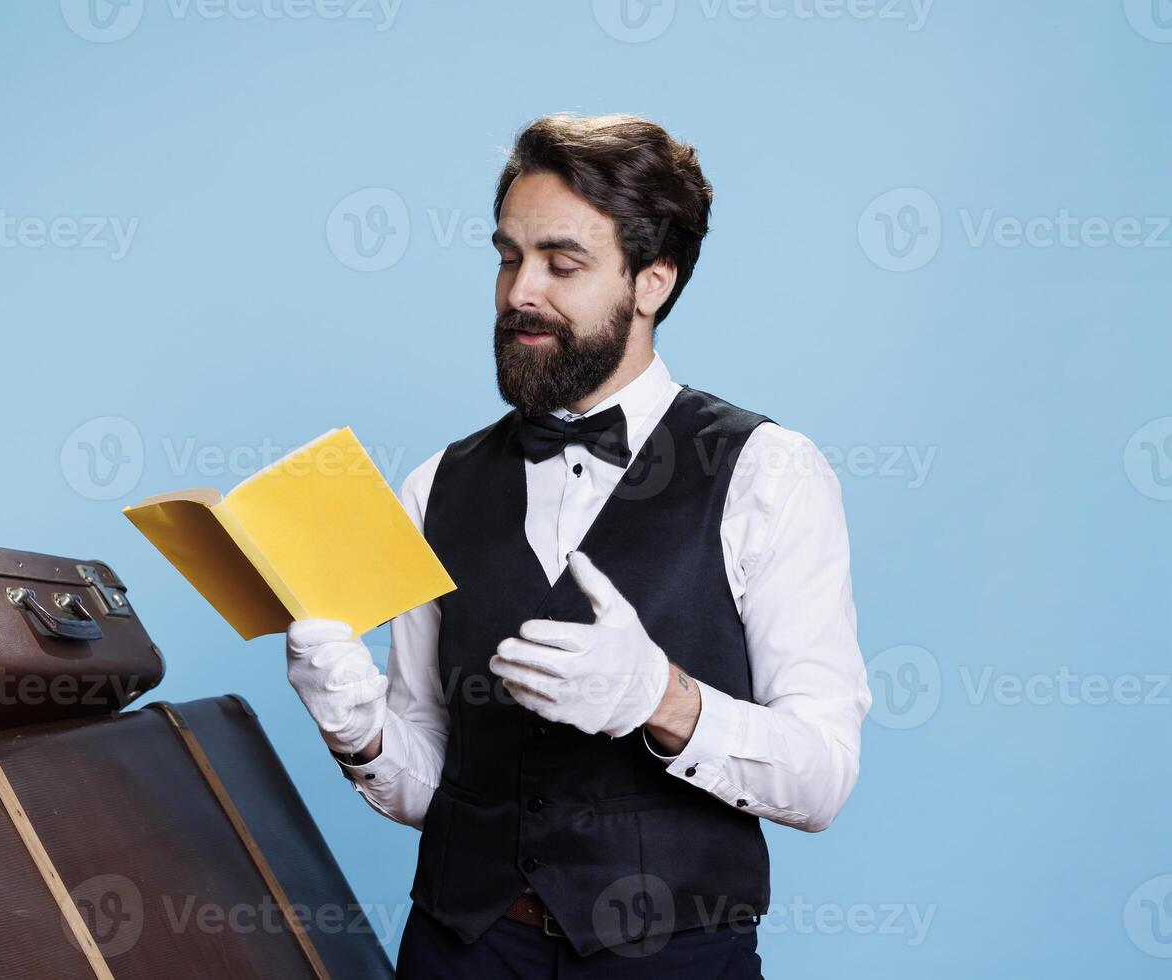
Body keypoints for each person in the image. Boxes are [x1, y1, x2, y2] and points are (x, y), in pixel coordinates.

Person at [285, 112, 871, 978]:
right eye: (508, 256)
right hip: (460, 949)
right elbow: (434, 786)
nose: (522, 291)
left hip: (673, 959)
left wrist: (662, 700)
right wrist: (358, 728)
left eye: (563, 264)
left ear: (652, 283)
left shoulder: (769, 473)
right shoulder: (434, 485)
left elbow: (821, 779)